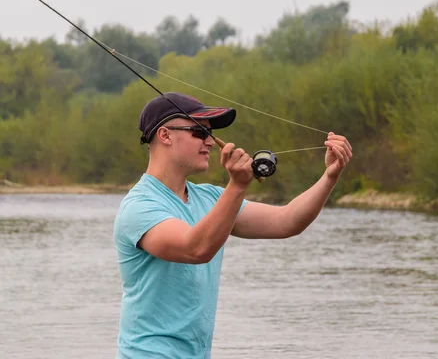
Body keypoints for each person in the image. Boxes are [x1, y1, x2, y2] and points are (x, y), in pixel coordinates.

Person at [113, 92, 352, 358]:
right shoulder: (139, 207)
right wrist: (238, 185)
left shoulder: (211, 198)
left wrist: (330, 176)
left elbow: (287, 222)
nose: (209, 142)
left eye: (210, 133)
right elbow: (196, 249)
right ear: (165, 135)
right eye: (199, 131)